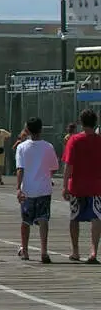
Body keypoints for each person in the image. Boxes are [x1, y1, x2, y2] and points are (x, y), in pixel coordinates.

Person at [15, 116, 59, 263]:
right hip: (44, 189)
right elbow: (53, 168)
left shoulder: (22, 147)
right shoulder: (48, 146)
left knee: (25, 221)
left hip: (27, 189)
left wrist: (18, 188)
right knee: (44, 220)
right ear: (41, 129)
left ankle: (25, 251)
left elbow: (20, 169)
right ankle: (44, 252)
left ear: (27, 129)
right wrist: (46, 176)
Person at [62, 108, 101, 263]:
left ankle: (75, 251)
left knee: (74, 218)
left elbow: (68, 165)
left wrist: (64, 185)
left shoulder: (74, 140)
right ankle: (93, 252)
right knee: (96, 217)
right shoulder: (99, 140)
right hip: (96, 185)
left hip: (77, 185)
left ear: (81, 122)